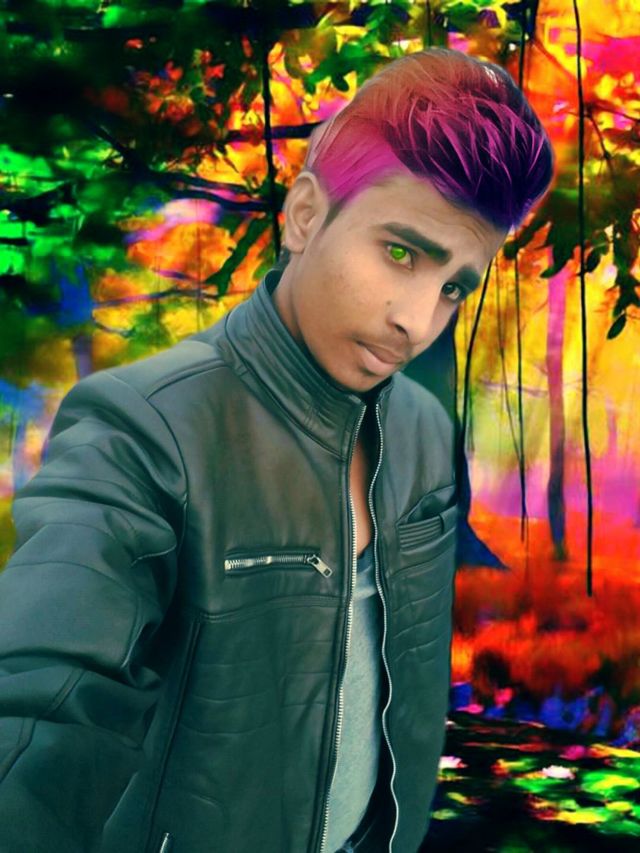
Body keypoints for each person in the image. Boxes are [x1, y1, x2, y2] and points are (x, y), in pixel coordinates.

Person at [0, 47, 553, 853]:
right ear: (303, 215)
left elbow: (406, 686)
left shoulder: (425, 434)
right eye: (401, 252)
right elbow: (42, 709)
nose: (417, 320)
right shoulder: (146, 428)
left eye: (453, 287)